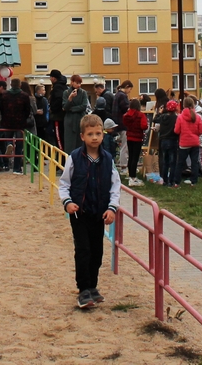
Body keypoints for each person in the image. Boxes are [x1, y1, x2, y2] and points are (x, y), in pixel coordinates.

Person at [57, 113, 120, 309]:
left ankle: (93, 286)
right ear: (82, 136)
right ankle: (83, 289)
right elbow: (64, 183)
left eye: (98, 133)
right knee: (83, 250)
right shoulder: (74, 158)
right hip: (79, 213)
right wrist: (67, 202)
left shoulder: (108, 160)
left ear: (103, 135)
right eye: (90, 134)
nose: (95, 137)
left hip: (99, 214)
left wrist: (112, 208)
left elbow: (115, 187)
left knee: (97, 252)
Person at [0, 78, 31, 173]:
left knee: (7, 138)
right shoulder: (24, 96)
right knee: (19, 145)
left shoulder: (4, 95)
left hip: (7, 122)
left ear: (11, 85)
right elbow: (27, 110)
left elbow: (1, 108)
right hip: (20, 123)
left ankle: (9, 144)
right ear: (20, 85)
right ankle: (17, 168)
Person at [173, 97, 202, 188]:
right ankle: (193, 182)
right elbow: (201, 130)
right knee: (194, 162)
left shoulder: (180, 117)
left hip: (184, 142)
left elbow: (176, 130)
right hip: (195, 142)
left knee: (180, 162)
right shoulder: (197, 117)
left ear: (183, 105)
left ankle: (177, 182)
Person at [121, 98, 149, 186]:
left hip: (129, 137)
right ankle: (133, 177)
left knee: (131, 156)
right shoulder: (141, 115)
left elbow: (125, 123)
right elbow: (144, 126)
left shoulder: (126, 115)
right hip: (137, 138)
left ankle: (130, 175)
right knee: (135, 158)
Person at [154, 100, 180, 187]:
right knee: (173, 162)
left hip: (163, 141)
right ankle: (171, 180)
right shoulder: (176, 118)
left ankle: (164, 180)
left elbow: (154, 119)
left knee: (165, 161)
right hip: (173, 140)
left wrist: (159, 113)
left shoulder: (163, 117)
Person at [61, 74, 88, 155]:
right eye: (77, 83)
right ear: (72, 82)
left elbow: (84, 106)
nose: (79, 85)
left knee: (80, 141)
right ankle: (69, 161)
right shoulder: (66, 93)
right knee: (69, 143)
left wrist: (72, 109)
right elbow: (65, 107)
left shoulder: (83, 93)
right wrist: (70, 98)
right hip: (69, 121)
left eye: (80, 83)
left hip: (80, 119)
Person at [113, 81, 132, 173]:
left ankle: (122, 166)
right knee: (125, 146)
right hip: (123, 124)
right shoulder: (123, 96)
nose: (130, 91)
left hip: (117, 123)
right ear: (127, 87)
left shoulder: (117, 95)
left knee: (122, 146)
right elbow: (126, 108)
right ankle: (124, 166)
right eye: (130, 89)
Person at [48, 70, 67, 148]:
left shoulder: (57, 87)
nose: (50, 79)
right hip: (62, 116)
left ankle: (61, 156)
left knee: (58, 137)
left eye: (50, 77)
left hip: (58, 116)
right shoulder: (63, 86)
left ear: (54, 78)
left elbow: (59, 99)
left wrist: (53, 108)